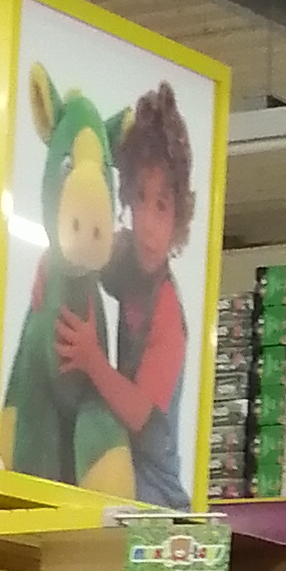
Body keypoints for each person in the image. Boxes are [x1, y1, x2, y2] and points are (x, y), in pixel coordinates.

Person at [54, 81, 198, 506]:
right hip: (121, 457)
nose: (148, 223)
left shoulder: (167, 312)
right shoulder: (125, 256)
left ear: (179, 215)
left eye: (162, 206)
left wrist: (93, 360)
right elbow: (82, 253)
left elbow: (140, 415)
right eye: (140, 199)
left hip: (156, 491)